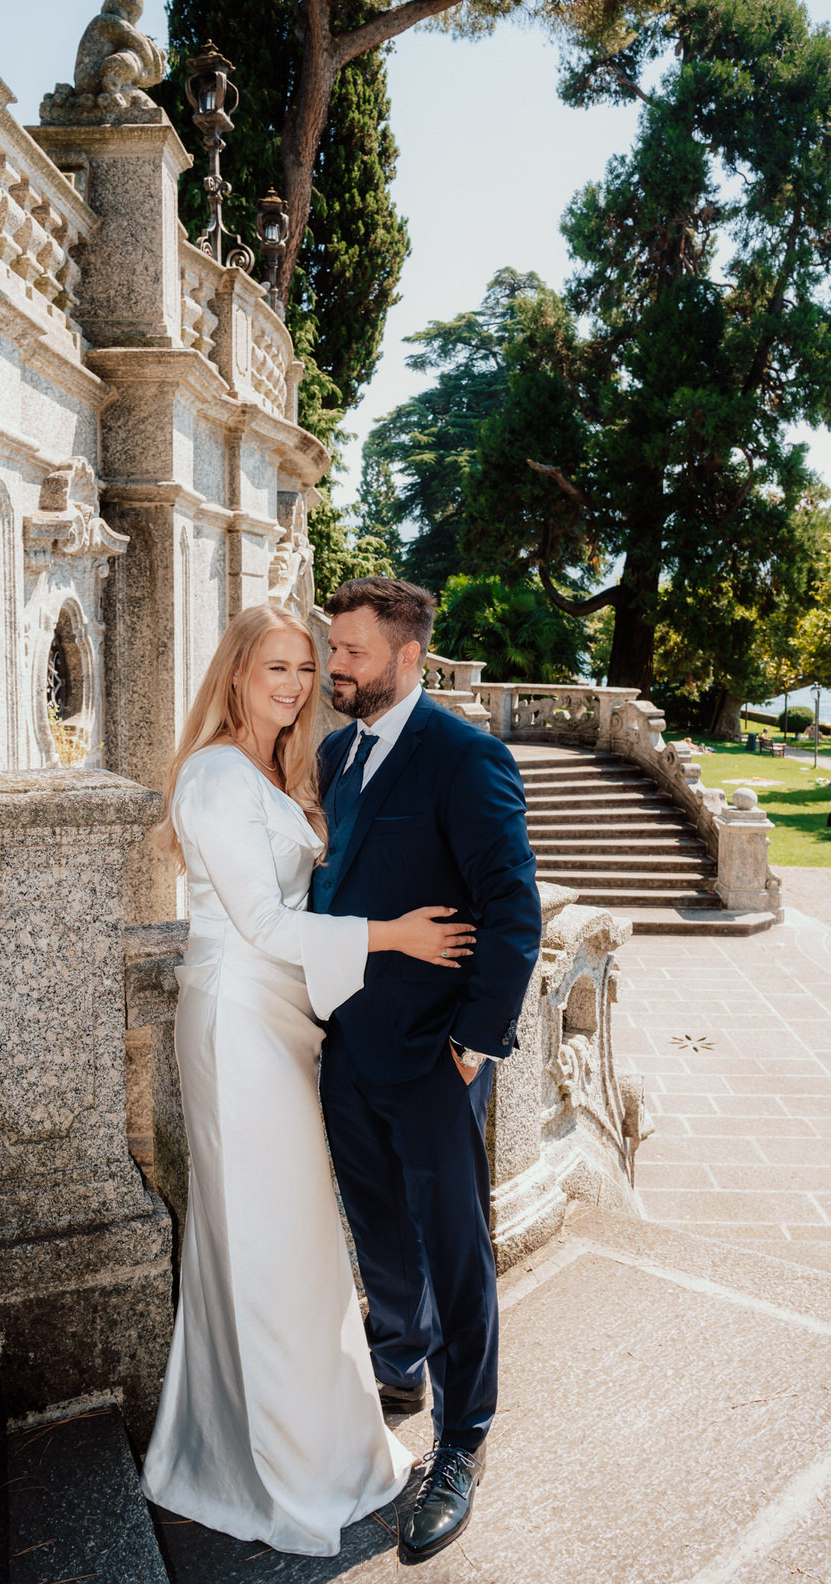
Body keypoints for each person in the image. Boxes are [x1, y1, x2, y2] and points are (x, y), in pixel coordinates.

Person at [139, 603, 476, 1558]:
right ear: (235, 674)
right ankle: (283, 1475)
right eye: (274, 667)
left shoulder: (278, 767)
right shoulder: (213, 775)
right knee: (267, 1245)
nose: (294, 684)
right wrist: (395, 936)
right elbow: (260, 923)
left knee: (286, 1244)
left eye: (304, 666)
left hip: (280, 1023)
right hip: (238, 1022)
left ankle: (285, 1447)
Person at [312, 577, 543, 1565]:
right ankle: (397, 1363)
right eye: (333, 647)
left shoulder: (466, 757)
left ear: (407, 658)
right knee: (375, 1226)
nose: (334, 665)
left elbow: (514, 910)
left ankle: (462, 1439)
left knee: (455, 1252)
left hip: (434, 1057)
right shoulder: (337, 754)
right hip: (347, 1048)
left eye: (351, 651)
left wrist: (471, 1047)